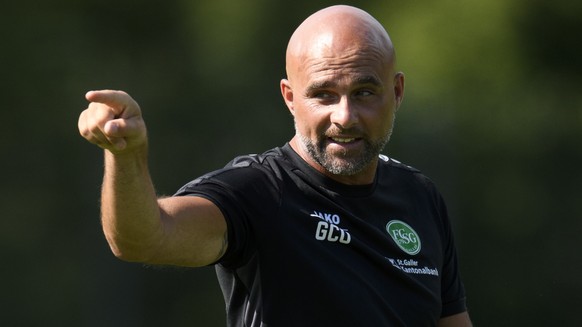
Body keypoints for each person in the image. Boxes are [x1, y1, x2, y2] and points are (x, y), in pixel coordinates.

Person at [78, 5, 472, 327]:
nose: (345, 116)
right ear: (290, 97)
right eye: (323, 95)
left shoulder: (420, 196)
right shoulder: (257, 192)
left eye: (364, 92)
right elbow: (142, 239)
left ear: (397, 91)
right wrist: (125, 155)